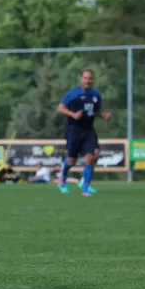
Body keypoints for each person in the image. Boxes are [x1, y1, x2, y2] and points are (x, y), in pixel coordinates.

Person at [56, 68, 111, 196]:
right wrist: (73, 114)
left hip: (88, 130)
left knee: (92, 157)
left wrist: (104, 115)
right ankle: (62, 179)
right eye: (85, 78)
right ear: (81, 79)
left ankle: (84, 187)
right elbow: (60, 108)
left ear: (93, 79)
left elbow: (96, 110)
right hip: (74, 130)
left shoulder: (96, 94)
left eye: (90, 78)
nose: (88, 81)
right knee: (71, 161)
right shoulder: (73, 93)